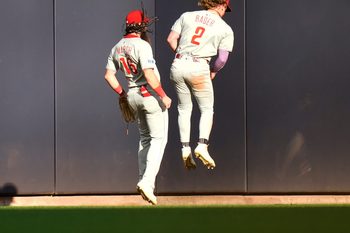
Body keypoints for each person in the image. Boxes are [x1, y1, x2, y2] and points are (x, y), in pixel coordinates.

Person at [105, 9, 171, 205]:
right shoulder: (142, 45)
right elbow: (149, 75)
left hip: (132, 95)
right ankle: (147, 182)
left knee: (145, 139)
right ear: (142, 26)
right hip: (148, 95)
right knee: (159, 139)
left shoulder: (116, 47)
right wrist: (164, 95)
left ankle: (143, 178)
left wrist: (122, 94)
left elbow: (108, 75)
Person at [167, 0, 234, 170]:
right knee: (206, 109)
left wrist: (182, 56)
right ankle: (202, 145)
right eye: (226, 8)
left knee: (184, 109)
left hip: (178, 64)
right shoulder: (225, 28)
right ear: (222, 5)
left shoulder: (187, 16)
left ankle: (185, 147)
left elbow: (171, 39)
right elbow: (222, 59)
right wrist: (213, 71)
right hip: (199, 66)